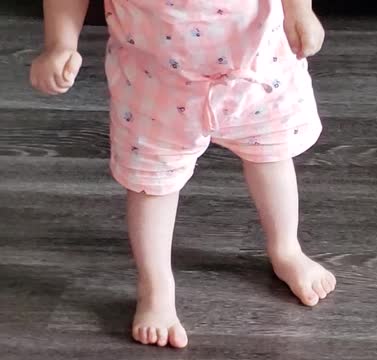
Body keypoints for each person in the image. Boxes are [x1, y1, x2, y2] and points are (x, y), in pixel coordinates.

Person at [30, 0, 336, 348]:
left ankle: (286, 249)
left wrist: (300, 11)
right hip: (156, 78)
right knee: (153, 183)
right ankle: (155, 286)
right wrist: (60, 44)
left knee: (271, 154)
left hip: (255, 62)